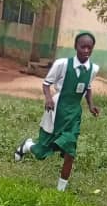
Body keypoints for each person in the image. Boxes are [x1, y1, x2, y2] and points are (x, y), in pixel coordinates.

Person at [14, 32, 100, 191]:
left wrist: (90, 105)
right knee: (42, 151)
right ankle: (27, 146)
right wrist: (48, 99)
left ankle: (60, 190)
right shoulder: (62, 64)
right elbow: (46, 84)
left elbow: (87, 88)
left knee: (70, 149)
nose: (86, 50)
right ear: (76, 47)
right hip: (56, 109)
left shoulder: (93, 69)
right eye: (83, 47)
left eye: (90, 47)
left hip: (74, 114)